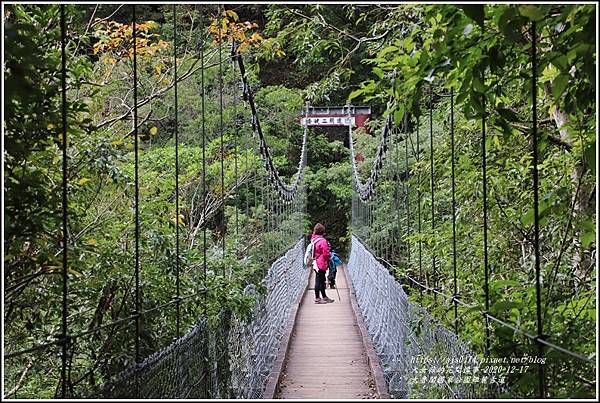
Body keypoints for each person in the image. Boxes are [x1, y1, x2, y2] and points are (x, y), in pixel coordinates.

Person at [311, 223, 334, 304]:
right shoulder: (323, 241)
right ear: (323, 232)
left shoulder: (313, 239)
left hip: (315, 262)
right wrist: (330, 257)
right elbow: (326, 254)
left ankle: (324, 297)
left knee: (321, 280)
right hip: (321, 263)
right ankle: (317, 298)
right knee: (319, 281)